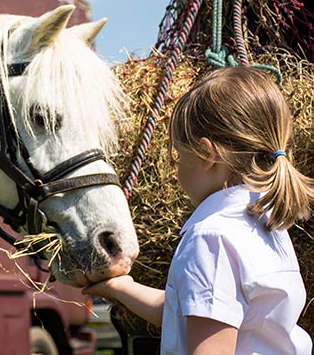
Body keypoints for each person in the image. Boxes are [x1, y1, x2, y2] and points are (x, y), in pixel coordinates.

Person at [84, 66, 314, 354]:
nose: (175, 172)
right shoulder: (266, 225)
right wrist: (119, 287)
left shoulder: (211, 240)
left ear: (206, 155)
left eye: (179, 157)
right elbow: (187, 313)